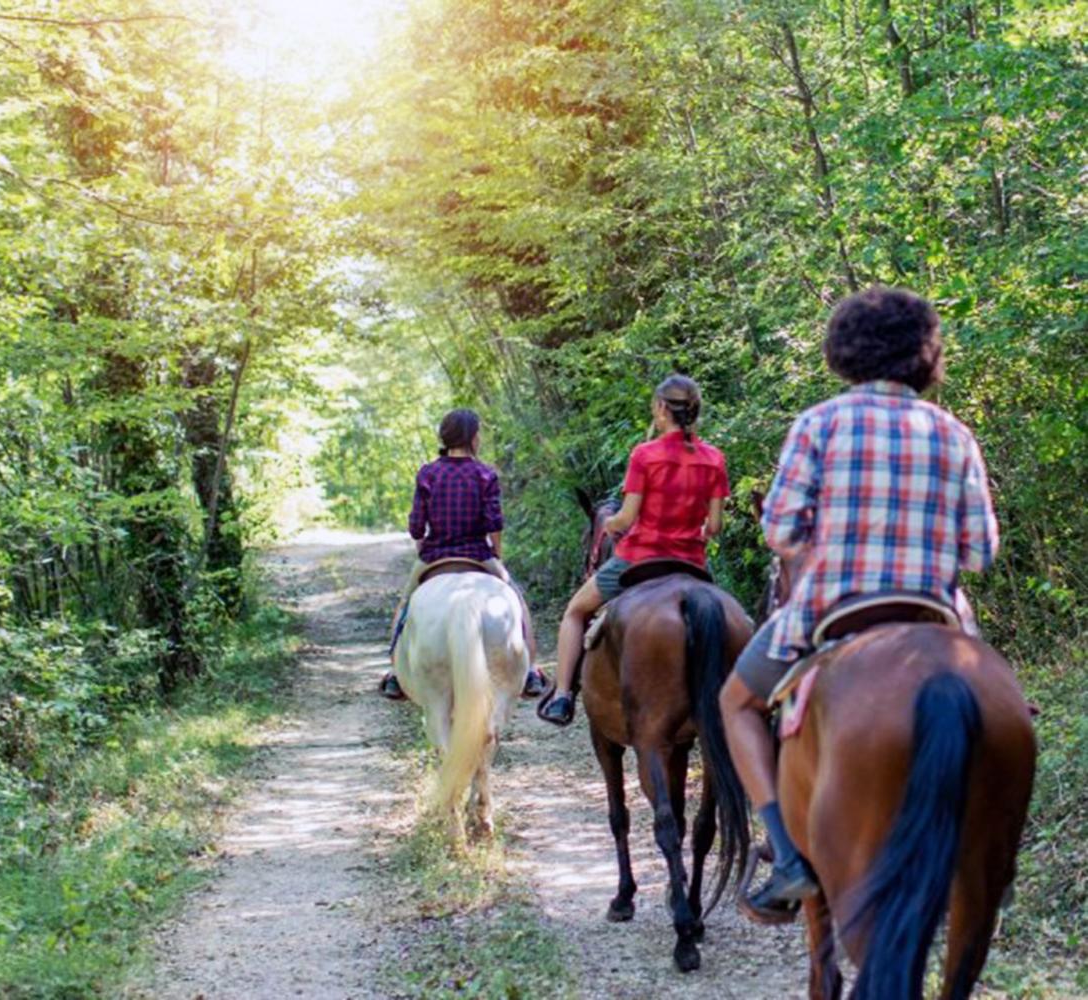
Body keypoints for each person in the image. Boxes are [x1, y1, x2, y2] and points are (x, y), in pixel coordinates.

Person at [719, 287, 999, 910]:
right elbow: (980, 553)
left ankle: (789, 856)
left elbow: (781, 530)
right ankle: (983, 856)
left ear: (844, 351)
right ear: (924, 355)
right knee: (999, 711)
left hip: (829, 612)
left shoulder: (818, 424)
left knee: (735, 702)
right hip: (936, 616)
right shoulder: (954, 434)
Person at [539, 375, 729, 726]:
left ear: (660, 409)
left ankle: (563, 695)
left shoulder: (645, 454)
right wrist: (694, 530)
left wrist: (610, 524)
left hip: (639, 559)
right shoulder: (714, 459)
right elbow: (714, 527)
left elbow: (627, 516)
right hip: (692, 564)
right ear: (695, 412)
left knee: (575, 612)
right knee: (733, 621)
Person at [380, 409, 545, 699]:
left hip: (434, 556)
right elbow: (494, 524)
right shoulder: (485, 474)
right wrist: (497, 555)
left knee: (406, 602)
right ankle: (530, 669)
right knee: (516, 598)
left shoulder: (428, 473)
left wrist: (423, 549)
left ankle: (395, 671)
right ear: (473, 437)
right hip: (477, 553)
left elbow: (417, 526)